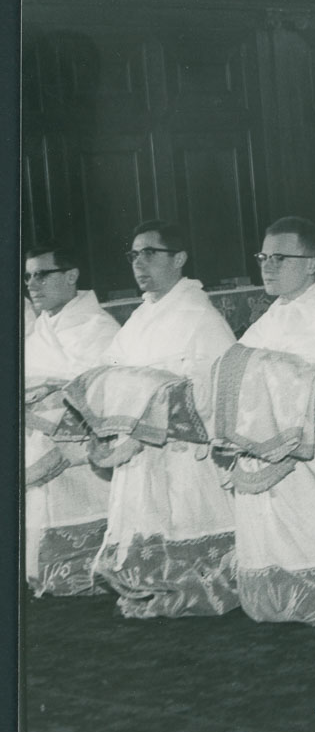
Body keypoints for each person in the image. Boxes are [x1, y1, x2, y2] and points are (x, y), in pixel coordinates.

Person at [218, 216, 315, 625]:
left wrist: (281, 380)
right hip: (269, 459)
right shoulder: (271, 317)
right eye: (263, 257)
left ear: (311, 264)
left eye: (280, 258)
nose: (268, 267)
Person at [92, 221, 239, 617]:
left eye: (149, 253)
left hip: (182, 452)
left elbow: (218, 387)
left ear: (179, 259)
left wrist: (157, 399)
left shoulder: (200, 317)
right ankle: (151, 587)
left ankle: (196, 590)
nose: (139, 263)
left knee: (186, 518)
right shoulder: (140, 317)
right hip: (138, 451)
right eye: (134, 255)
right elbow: (107, 372)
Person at [23, 243, 120, 596]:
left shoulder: (98, 327)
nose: (32, 285)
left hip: (80, 447)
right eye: (28, 277)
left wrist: (43, 394)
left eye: (41, 275)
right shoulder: (38, 330)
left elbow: (100, 387)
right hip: (37, 437)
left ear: (71, 276)